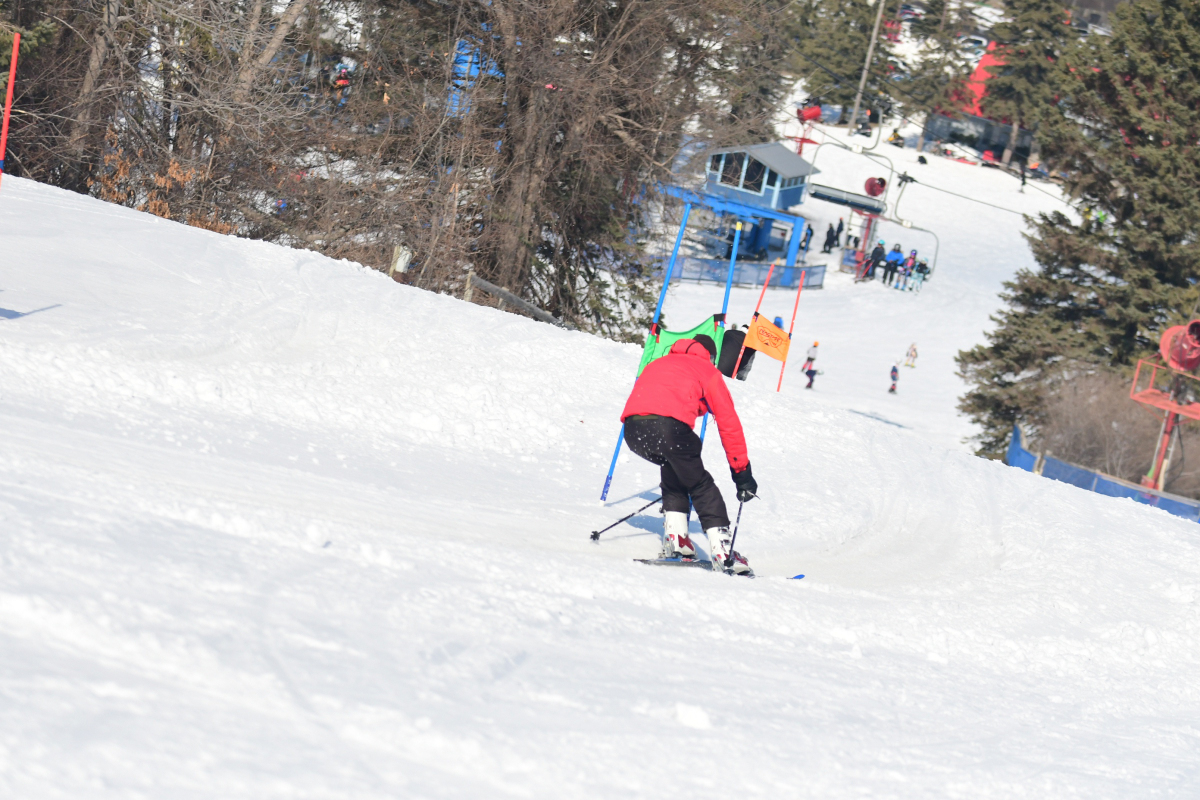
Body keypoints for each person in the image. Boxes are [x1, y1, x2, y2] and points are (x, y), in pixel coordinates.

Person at [621, 336, 757, 574]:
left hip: (633, 430)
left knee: (674, 467)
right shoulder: (706, 370)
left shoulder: (659, 363)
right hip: (668, 429)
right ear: (710, 357)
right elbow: (729, 423)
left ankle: (677, 540)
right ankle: (723, 551)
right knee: (700, 484)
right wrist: (742, 473)